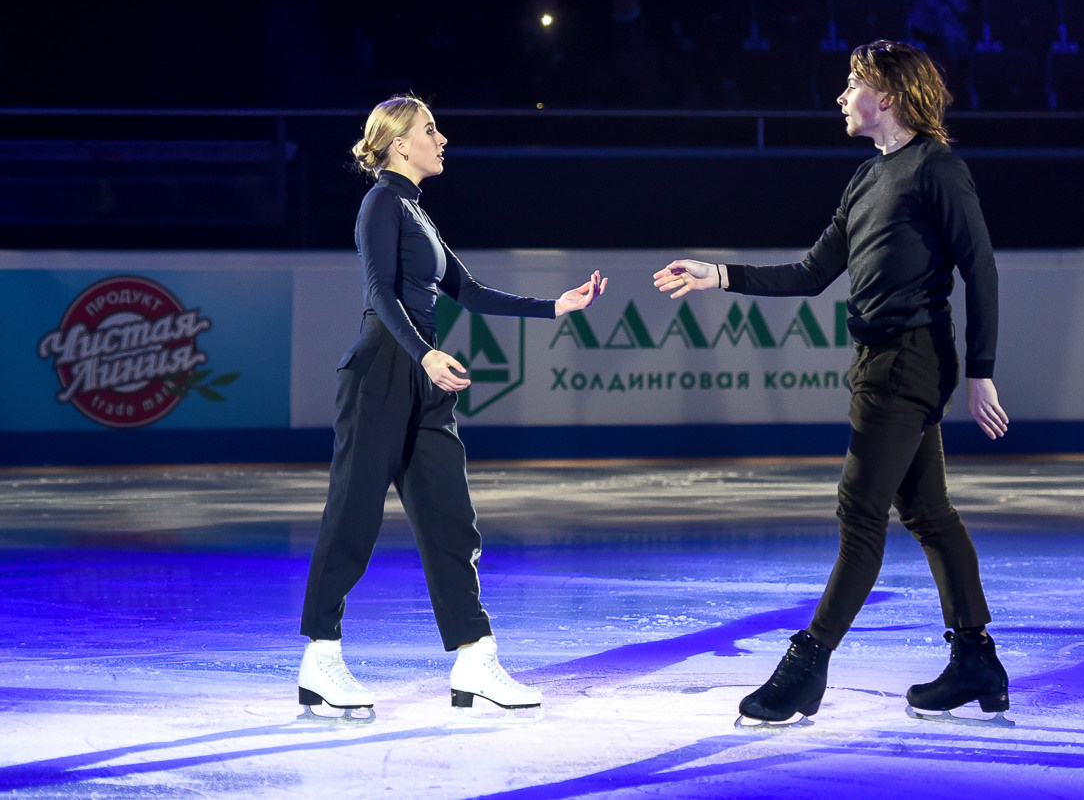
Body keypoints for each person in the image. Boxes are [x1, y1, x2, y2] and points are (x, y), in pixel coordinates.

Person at [653, 40, 1010, 726]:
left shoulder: (938, 168)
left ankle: (807, 665)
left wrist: (984, 373)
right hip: (877, 361)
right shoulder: (865, 180)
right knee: (928, 513)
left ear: (893, 95)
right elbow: (812, 272)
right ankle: (975, 659)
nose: (841, 97)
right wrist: (717, 274)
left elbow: (981, 269)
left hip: (910, 360)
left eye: (854, 84)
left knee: (858, 512)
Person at [299, 94, 607, 720]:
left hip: (422, 374)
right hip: (384, 370)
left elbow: (469, 290)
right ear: (397, 143)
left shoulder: (416, 211)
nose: (442, 138)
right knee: (354, 515)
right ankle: (321, 657)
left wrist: (557, 306)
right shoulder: (381, 202)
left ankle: (474, 658)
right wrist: (423, 355)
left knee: (450, 518)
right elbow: (380, 293)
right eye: (430, 129)